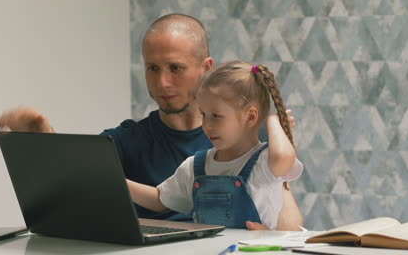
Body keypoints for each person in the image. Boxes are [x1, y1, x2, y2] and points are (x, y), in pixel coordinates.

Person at [0, 13, 303, 230]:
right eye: (153, 68)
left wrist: (274, 238)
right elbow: (79, 172)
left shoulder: (247, 142)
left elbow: (285, 210)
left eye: (176, 68)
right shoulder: (129, 140)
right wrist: (46, 139)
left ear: (206, 68)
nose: (163, 82)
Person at [126, 61, 302, 229]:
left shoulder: (264, 163)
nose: (207, 125)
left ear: (250, 117)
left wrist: (273, 120)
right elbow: (160, 200)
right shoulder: (196, 165)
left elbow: (283, 157)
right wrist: (120, 184)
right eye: (203, 114)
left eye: (216, 116)